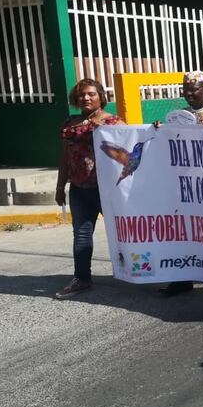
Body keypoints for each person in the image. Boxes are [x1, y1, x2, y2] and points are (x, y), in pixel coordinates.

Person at [54, 79, 124, 299]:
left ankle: (142, 273)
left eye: (91, 94)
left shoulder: (113, 123)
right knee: (82, 236)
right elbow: (65, 157)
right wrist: (60, 186)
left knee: (125, 233)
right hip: (79, 190)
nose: (85, 98)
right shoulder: (70, 124)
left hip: (107, 190)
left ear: (101, 96)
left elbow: (132, 146)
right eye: (82, 94)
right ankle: (82, 278)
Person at [160, 72, 203, 298]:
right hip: (185, 183)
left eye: (194, 89)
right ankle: (183, 277)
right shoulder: (181, 115)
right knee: (184, 228)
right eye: (185, 90)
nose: (189, 93)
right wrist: (160, 129)